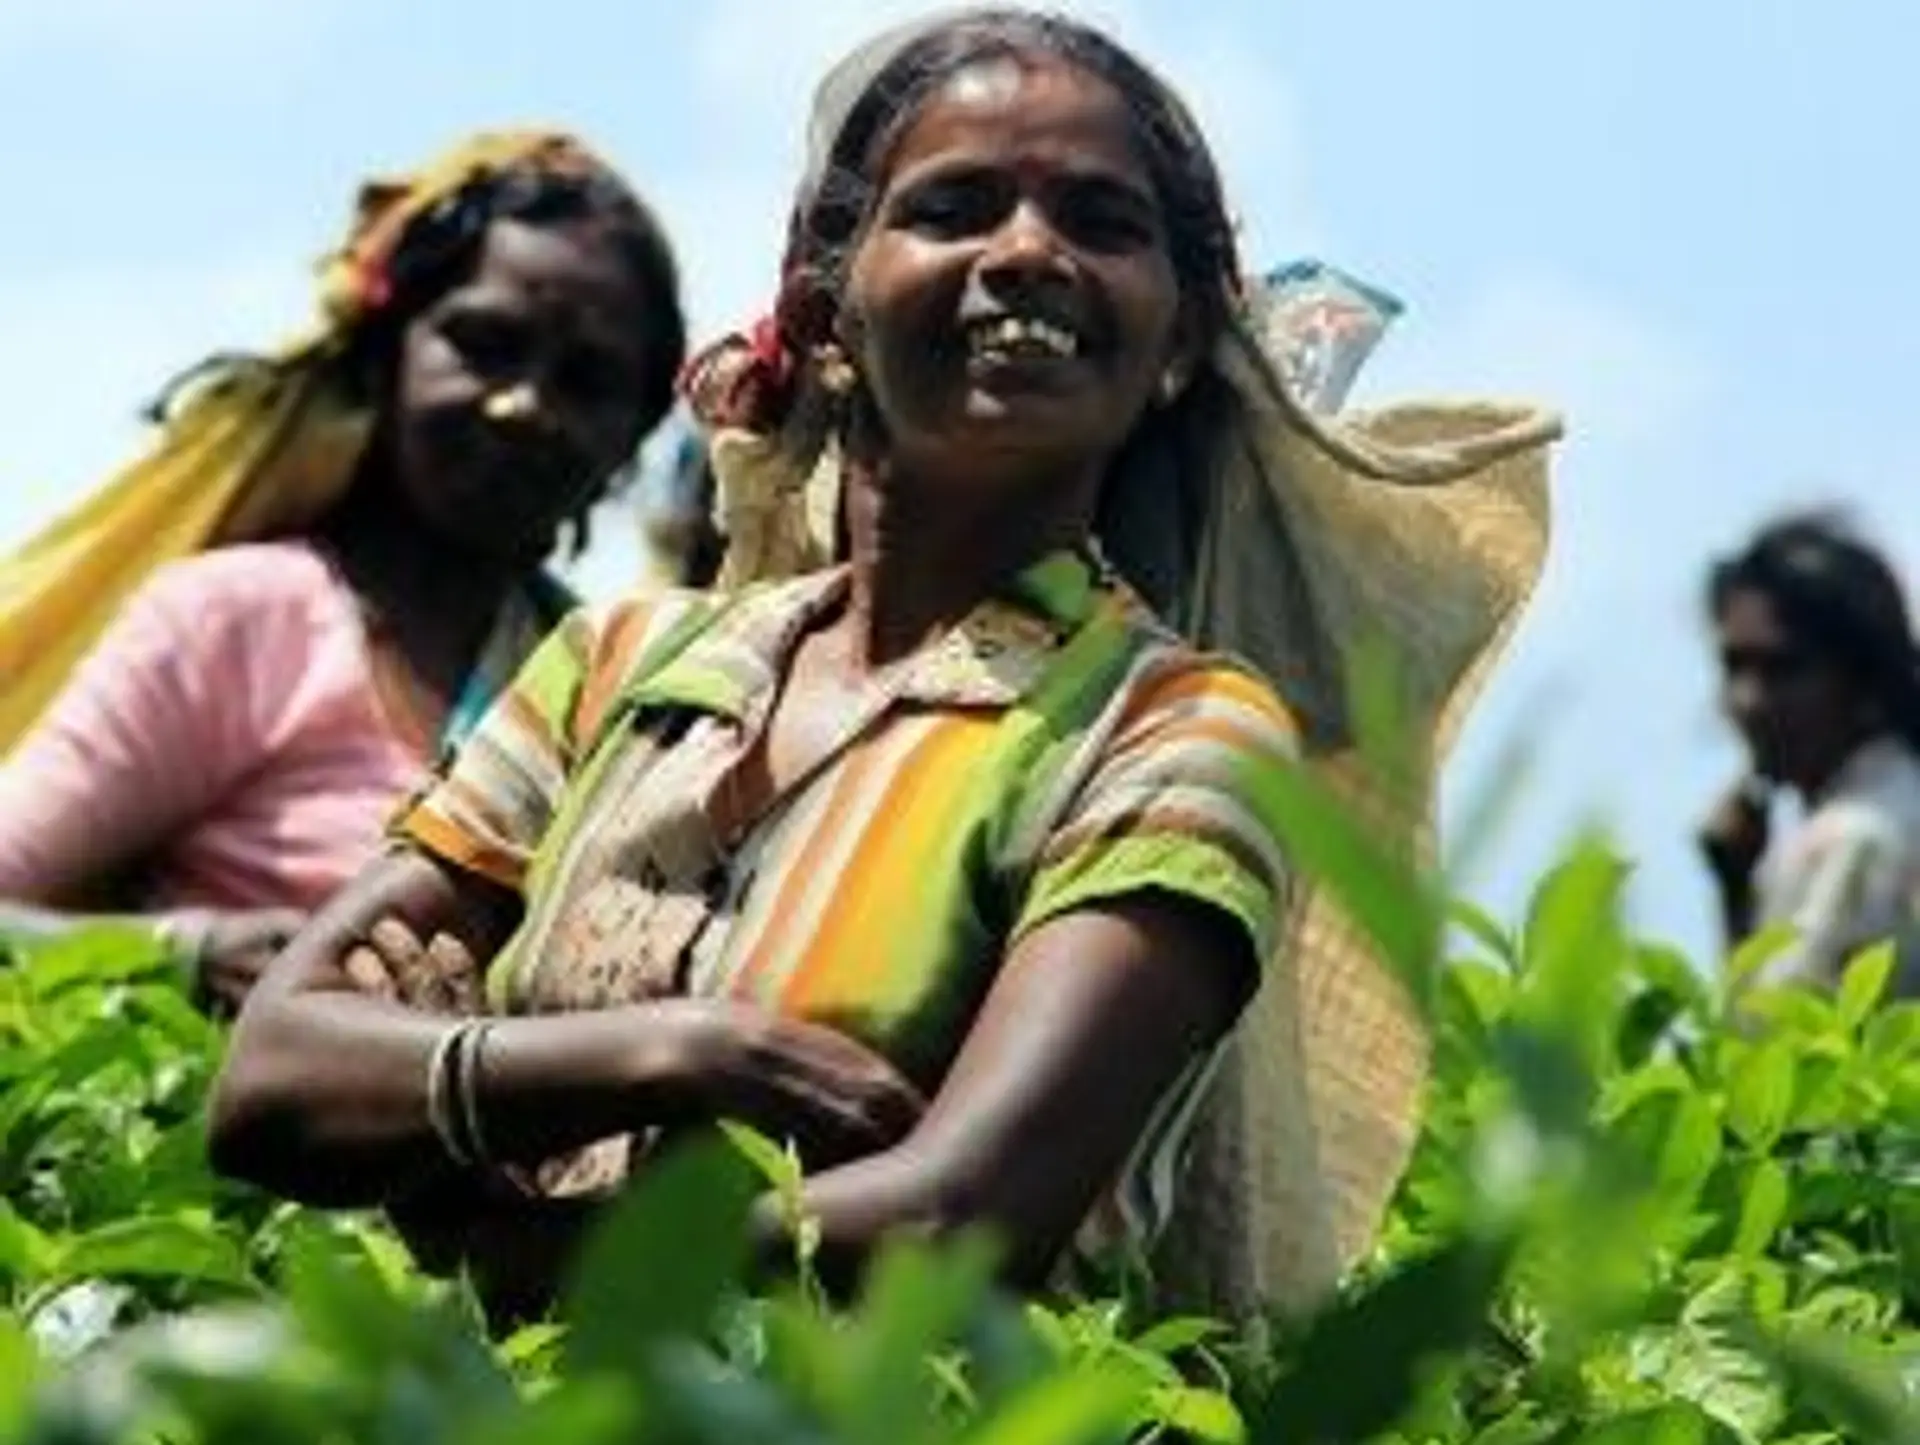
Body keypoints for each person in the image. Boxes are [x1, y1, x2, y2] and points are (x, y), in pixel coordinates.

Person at [212, 9, 1558, 1325]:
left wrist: (491, 1196)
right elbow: (273, 1078)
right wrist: (689, 1052)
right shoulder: (620, 662)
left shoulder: (1171, 730)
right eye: (956, 205)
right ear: (825, 302)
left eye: (1102, 222)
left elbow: (950, 1225)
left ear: (1178, 343)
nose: (1028, 251)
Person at [0, 131, 688, 1014]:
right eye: (485, 342)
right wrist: (189, 954)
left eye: (587, 379)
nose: (525, 404)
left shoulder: (610, 690)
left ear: (631, 435)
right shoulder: (242, 621)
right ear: (386, 350)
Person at [1699, 511, 1920, 997]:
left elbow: (1773, 1054)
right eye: (1734, 667)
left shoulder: (1856, 840)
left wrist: (1734, 898)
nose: (1748, 700)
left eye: (1782, 670)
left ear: (1863, 679)